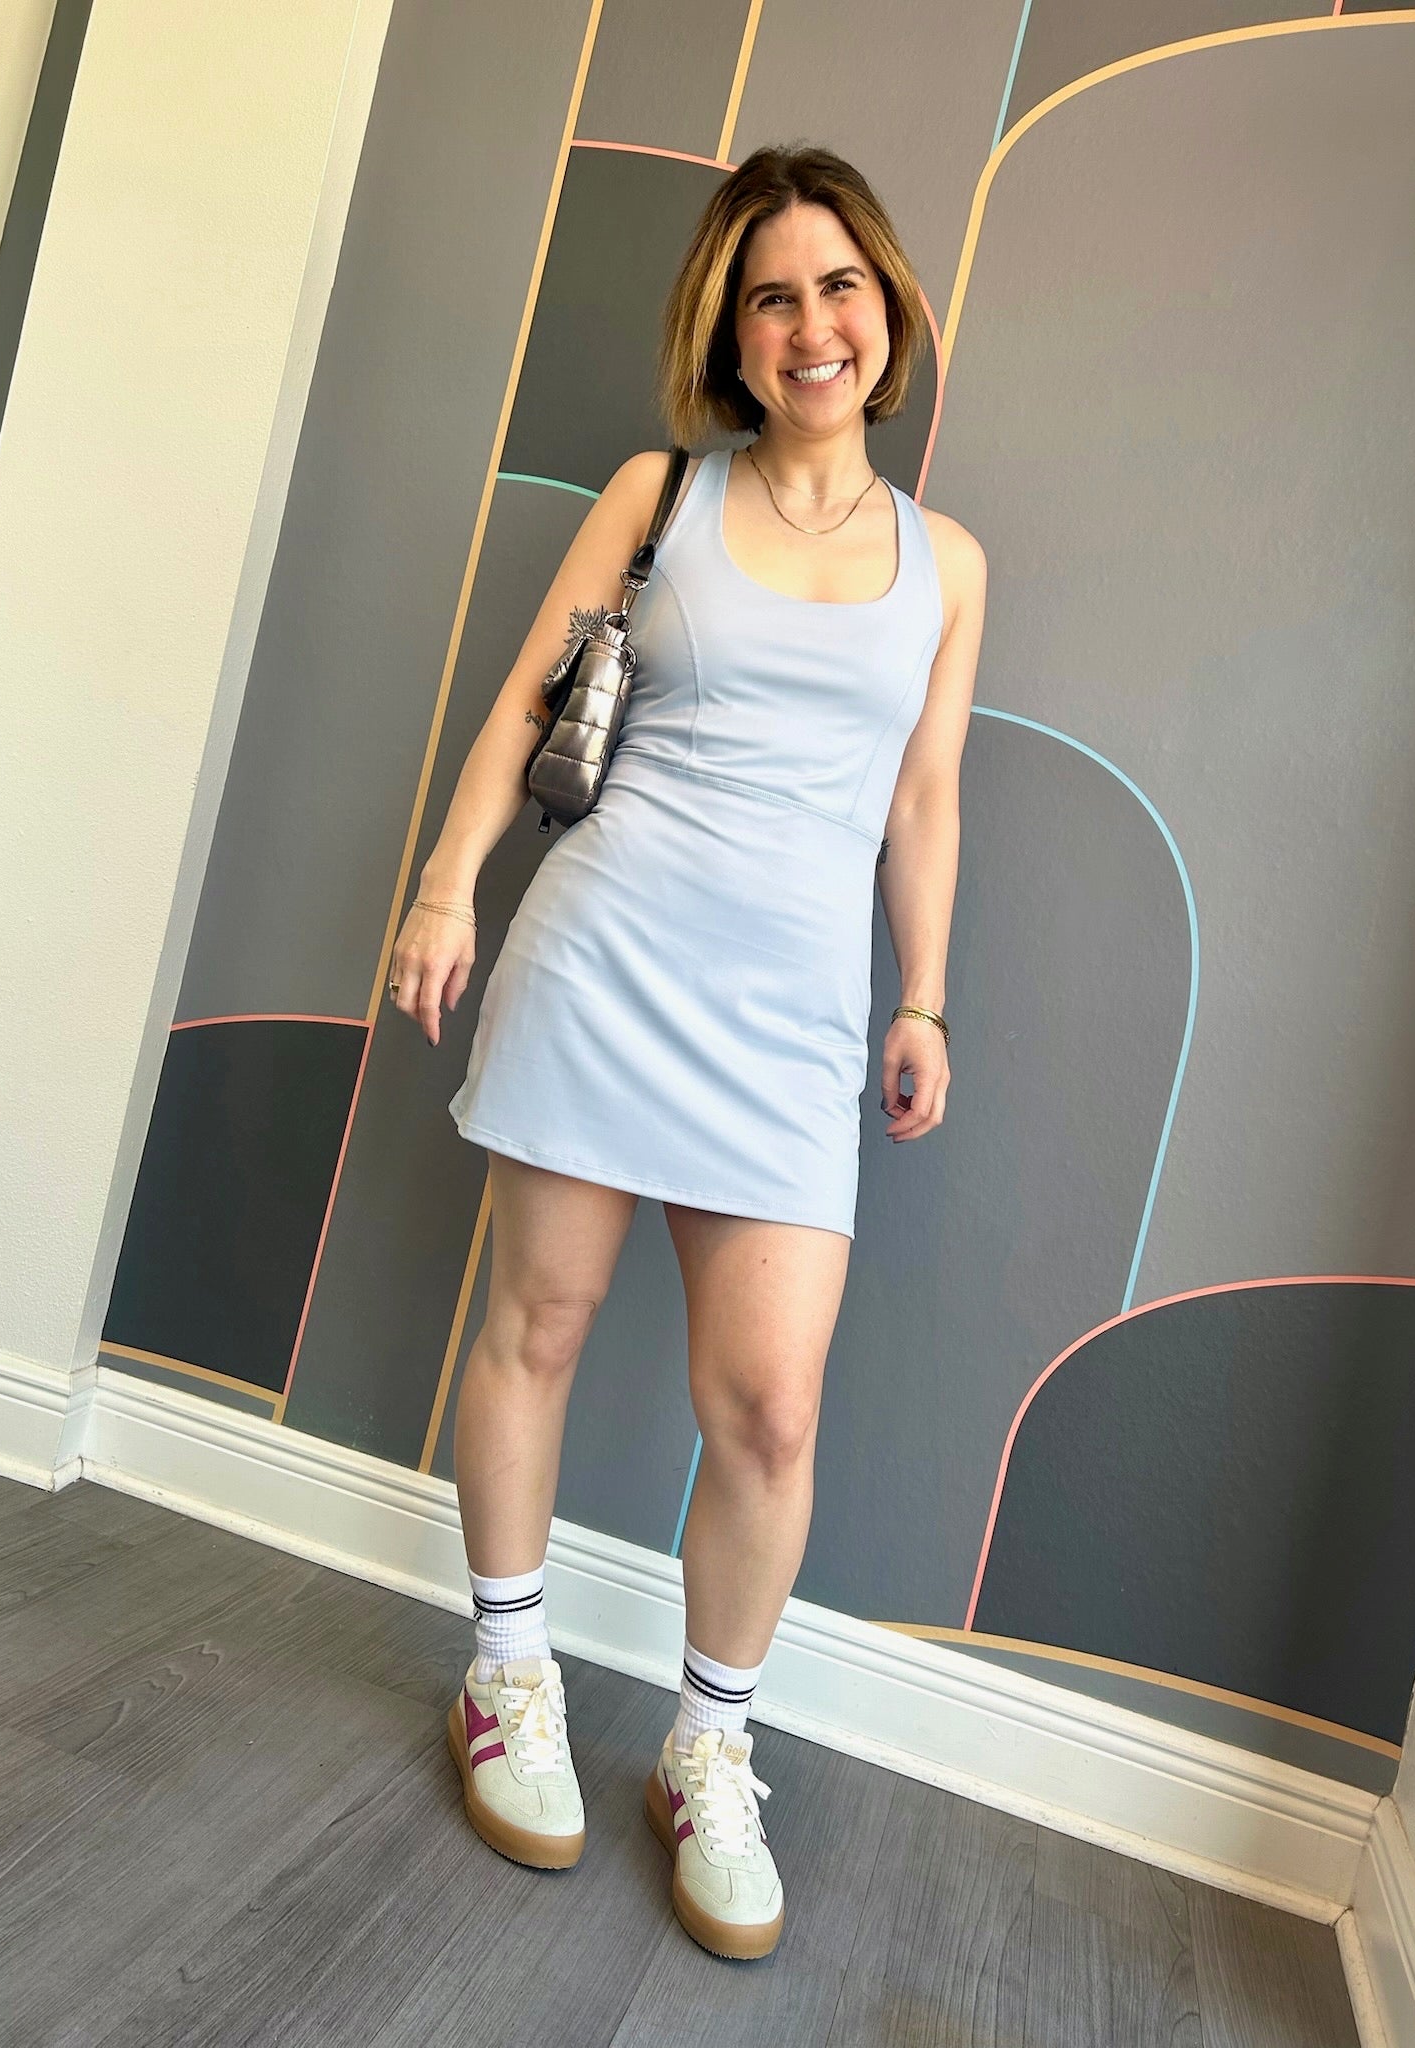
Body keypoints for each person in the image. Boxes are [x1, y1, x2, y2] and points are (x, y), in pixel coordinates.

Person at [388, 142, 986, 1961]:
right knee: (538, 1324)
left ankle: (707, 1749)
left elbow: (925, 797)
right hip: (608, 957)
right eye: (772, 297)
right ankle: (509, 1673)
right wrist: (446, 888)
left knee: (773, 1409)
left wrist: (922, 996)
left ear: (888, 310)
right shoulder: (661, 495)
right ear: (733, 336)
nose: (812, 326)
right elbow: (529, 694)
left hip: (794, 1023)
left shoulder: (950, 564)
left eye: (839, 287)